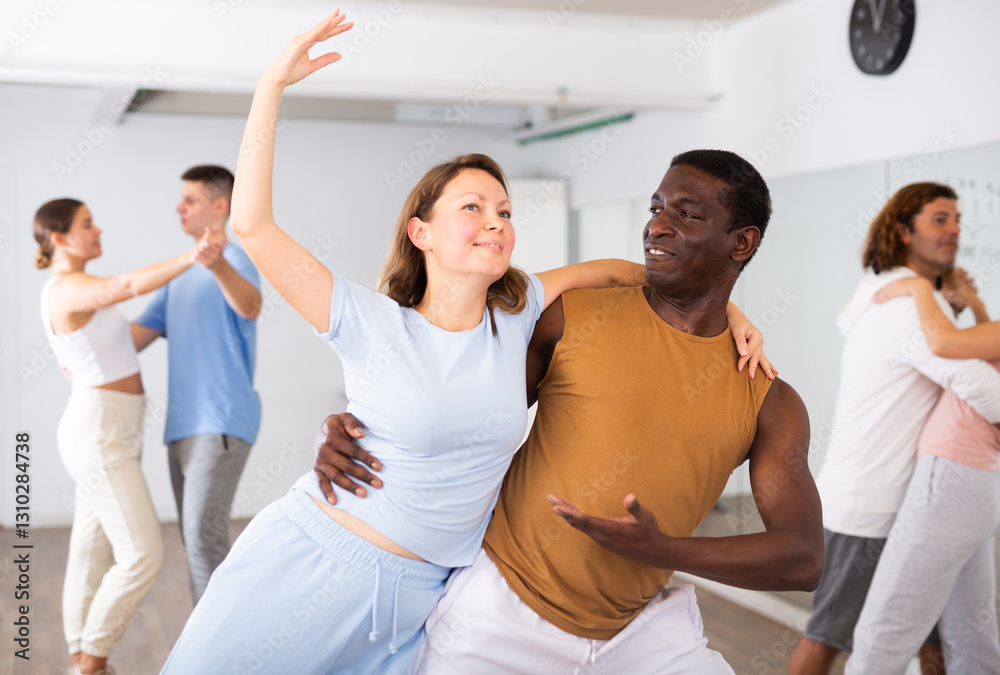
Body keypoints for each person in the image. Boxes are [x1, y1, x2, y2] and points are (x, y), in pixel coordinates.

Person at [160, 16, 770, 675]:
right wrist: (271, 86)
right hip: (316, 562)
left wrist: (735, 312)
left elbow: (637, 272)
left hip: (420, 601)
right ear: (420, 232)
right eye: (472, 207)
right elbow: (253, 225)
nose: (495, 221)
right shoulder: (370, 322)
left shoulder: (521, 310)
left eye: (504, 211)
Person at [314, 148, 824, 673]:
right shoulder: (568, 316)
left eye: (687, 214)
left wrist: (665, 550)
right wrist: (356, 429)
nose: (656, 226)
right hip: (499, 612)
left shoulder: (769, 400)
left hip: (641, 630)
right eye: (656, 208)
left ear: (742, 243)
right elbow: (446, 411)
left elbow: (803, 557)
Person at [789, 183, 1000, 674]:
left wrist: (951, 302)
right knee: (828, 640)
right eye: (940, 219)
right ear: (903, 231)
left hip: (910, 504)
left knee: (934, 644)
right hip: (871, 505)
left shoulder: (890, 295)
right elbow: (983, 389)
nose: (955, 230)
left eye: (957, 219)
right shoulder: (905, 306)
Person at [33, 198, 221, 675]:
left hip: (111, 428)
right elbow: (128, 284)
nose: (97, 230)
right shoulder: (68, 288)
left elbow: (124, 339)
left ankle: (81, 656)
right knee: (142, 554)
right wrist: (193, 255)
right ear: (59, 237)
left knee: (90, 552)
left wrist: (176, 312)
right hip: (99, 433)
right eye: (87, 224)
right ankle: (91, 663)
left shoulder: (76, 288)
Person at [843, 268, 1000, 674]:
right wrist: (976, 304)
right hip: (978, 487)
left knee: (886, 624)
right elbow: (990, 347)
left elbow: (943, 342)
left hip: (950, 480)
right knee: (973, 637)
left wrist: (918, 287)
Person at [131, 164, 262, 605]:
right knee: (196, 545)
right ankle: (214, 636)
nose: (179, 208)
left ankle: (222, 642)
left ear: (219, 206)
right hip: (180, 429)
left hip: (220, 422)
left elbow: (250, 306)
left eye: (190, 200)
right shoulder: (179, 276)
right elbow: (133, 339)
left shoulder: (236, 261)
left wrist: (217, 263)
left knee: (204, 542)